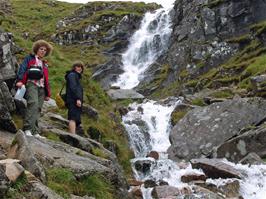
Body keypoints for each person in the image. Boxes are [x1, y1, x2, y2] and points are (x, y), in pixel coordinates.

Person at [16, 40, 53, 137]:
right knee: (33, 104)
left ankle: (35, 131)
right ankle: (27, 128)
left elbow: (46, 79)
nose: (43, 51)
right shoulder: (29, 58)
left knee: (38, 108)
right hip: (31, 84)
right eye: (41, 49)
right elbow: (23, 68)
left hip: (41, 88)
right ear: (37, 49)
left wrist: (48, 94)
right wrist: (20, 80)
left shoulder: (44, 64)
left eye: (45, 50)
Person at [65, 61, 84, 134]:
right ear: (74, 67)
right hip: (73, 100)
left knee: (75, 118)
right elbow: (73, 88)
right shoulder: (72, 75)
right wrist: (77, 99)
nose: (80, 68)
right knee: (73, 118)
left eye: (81, 67)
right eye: (78, 66)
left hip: (74, 100)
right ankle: (72, 135)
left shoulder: (75, 76)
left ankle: (72, 134)